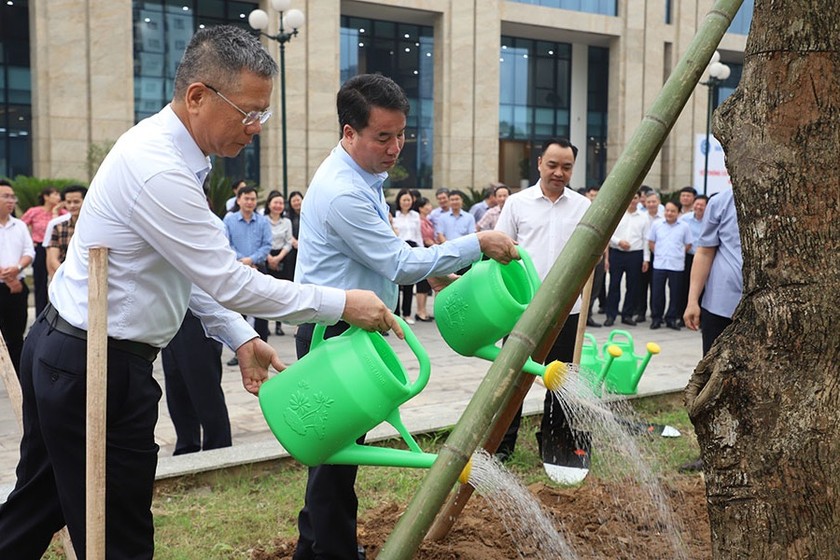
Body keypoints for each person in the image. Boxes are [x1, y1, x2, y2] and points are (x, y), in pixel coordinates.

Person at [0, 26, 400, 560]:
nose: (256, 128)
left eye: (264, 114)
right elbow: (229, 279)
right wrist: (343, 301)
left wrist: (237, 335)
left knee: (34, 510)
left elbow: (188, 270)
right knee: (119, 535)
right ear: (198, 97)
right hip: (94, 364)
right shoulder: (159, 168)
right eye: (250, 111)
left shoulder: (181, 156)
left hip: (72, 351)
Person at [293, 72, 517, 560]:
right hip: (332, 335)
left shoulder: (359, 176)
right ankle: (331, 552)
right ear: (348, 132)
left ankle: (313, 549)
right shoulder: (344, 191)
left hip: (347, 330)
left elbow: (385, 253)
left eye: (400, 136)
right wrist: (477, 244)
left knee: (334, 457)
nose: (395, 148)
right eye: (383, 137)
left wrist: (431, 273)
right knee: (335, 463)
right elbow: (396, 263)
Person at [494, 138, 591, 479]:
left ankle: (554, 441)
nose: (558, 173)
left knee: (561, 379)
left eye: (566, 167)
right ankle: (502, 444)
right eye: (553, 165)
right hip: (524, 308)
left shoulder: (583, 207)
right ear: (539, 164)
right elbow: (500, 250)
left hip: (568, 308)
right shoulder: (518, 204)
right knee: (513, 376)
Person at [681, 185, 742, 472]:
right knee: (713, 381)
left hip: (768, 307)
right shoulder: (721, 202)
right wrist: (693, 300)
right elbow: (704, 251)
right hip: (720, 305)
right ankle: (711, 450)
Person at [224, 185, 272, 357]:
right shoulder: (229, 220)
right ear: (239, 200)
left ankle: (263, 352)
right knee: (238, 313)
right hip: (237, 269)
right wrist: (242, 260)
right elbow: (225, 243)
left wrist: (251, 260)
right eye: (246, 198)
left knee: (262, 313)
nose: (250, 202)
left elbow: (267, 245)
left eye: (253, 199)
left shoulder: (262, 221)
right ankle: (240, 353)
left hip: (258, 268)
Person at [0, 180, 35, 374]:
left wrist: (17, 268)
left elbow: (30, 251)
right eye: (6, 196)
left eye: (13, 197)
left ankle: (19, 378)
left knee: (15, 337)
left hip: (17, 289)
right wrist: (7, 276)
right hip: (7, 284)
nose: (11, 200)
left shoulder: (20, 225)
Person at [605, 190, 650, 327]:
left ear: (639, 199)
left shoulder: (644, 217)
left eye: (635, 197)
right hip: (617, 253)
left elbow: (645, 239)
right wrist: (619, 242)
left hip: (635, 255)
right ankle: (610, 315)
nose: (632, 200)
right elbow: (608, 233)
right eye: (630, 196)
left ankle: (627, 315)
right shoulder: (617, 214)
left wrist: (646, 259)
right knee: (614, 285)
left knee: (632, 286)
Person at [20, 186, 66, 315]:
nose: (58, 197)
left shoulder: (63, 213)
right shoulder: (34, 211)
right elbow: (20, 227)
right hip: (39, 248)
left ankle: (56, 313)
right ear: (46, 196)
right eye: (55, 194)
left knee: (57, 281)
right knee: (40, 283)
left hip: (57, 249)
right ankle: (40, 315)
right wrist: (30, 242)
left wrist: (56, 212)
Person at [648, 201, 692, 330]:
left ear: (678, 213)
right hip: (659, 264)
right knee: (657, 293)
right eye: (667, 210)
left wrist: (678, 253)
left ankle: (671, 318)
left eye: (672, 211)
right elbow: (651, 242)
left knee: (675, 293)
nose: (669, 213)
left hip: (676, 265)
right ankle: (656, 318)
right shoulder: (656, 225)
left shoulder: (684, 226)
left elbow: (688, 244)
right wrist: (659, 253)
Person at [263, 191, 295, 335]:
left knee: (281, 293)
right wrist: (269, 257)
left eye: (281, 203)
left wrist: (278, 258)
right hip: (266, 256)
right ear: (269, 204)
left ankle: (278, 325)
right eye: (275, 202)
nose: (278, 206)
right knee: (266, 292)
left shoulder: (287, 222)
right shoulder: (262, 220)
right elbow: (261, 241)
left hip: (283, 257)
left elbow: (289, 242)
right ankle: (265, 325)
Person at [391, 188, 423, 325]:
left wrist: (422, 251)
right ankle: (396, 314)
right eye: (404, 200)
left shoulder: (415, 215)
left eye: (409, 200)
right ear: (399, 201)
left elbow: (418, 234)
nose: (406, 202)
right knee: (397, 284)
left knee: (410, 282)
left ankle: (407, 313)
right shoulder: (394, 215)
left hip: (413, 247)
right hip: (399, 248)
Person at [676, 195, 707, 325]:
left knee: (703, 287)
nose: (698, 207)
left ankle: (700, 318)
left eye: (702, 205)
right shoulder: (684, 219)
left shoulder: (709, 220)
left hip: (704, 258)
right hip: (687, 256)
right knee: (684, 286)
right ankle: (682, 316)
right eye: (697, 204)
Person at [46, 184, 88, 279]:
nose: (72, 205)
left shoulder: (95, 227)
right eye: (68, 202)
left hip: (89, 277)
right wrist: (67, 276)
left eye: (76, 202)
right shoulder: (58, 227)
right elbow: (53, 259)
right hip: (65, 276)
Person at [634, 190, 663, 322]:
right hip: (644, 254)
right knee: (641, 284)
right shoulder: (641, 216)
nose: (651, 204)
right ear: (645, 203)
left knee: (656, 286)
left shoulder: (664, 218)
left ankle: (656, 313)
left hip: (660, 254)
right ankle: (641, 312)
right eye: (649, 202)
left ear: (659, 202)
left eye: (654, 201)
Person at [583, 185, 608, 327]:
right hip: (583, 257)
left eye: (596, 195)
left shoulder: (603, 213)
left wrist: (606, 259)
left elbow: (606, 238)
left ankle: (588, 315)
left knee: (595, 287)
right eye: (592, 195)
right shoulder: (581, 210)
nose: (594, 198)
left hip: (599, 255)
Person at [415, 197, 436, 322]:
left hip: (429, 250)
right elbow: (424, 238)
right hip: (423, 250)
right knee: (422, 283)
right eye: (426, 205)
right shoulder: (419, 221)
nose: (429, 207)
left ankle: (424, 310)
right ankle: (420, 311)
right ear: (420, 208)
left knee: (427, 284)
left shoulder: (427, 220)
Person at [284, 190, 304, 282]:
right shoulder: (287, 217)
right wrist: (294, 242)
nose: (296, 203)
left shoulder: (307, 214)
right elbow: (286, 232)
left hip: (305, 247)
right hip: (292, 248)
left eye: (298, 200)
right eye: (294, 201)